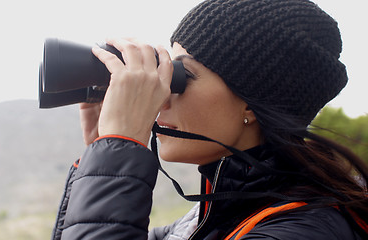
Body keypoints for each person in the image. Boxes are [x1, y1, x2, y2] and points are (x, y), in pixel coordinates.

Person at [51, 0, 368, 239]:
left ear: (251, 105)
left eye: (181, 77)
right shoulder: (205, 221)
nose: (161, 95)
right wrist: (101, 148)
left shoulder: (302, 230)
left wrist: (118, 148)